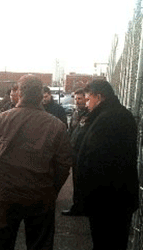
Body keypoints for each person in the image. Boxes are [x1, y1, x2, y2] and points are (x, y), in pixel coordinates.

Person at [0, 74, 73, 250]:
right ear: (40, 96)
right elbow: (64, 164)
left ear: (20, 93)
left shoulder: (0, 119)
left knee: (0, 243)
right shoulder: (57, 125)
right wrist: (52, 189)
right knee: (40, 243)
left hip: (5, 194)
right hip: (41, 194)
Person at [74, 80, 139, 250]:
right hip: (113, 199)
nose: (86, 104)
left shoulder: (109, 119)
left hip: (109, 202)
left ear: (99, 97)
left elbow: (99, 161)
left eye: (88, 99)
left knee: (107, 242)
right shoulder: (112, 115)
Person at [62, 88, 88, 216]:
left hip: (84, 153)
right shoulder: (76, 113)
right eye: (76, 99)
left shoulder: (90, 114)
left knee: (84, 181)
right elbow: (72, 131)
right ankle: (77, 206)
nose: (77, 101)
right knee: (76, 180)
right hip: (75, 152)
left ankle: (83, 207)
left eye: (80, 99)